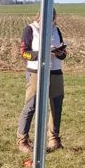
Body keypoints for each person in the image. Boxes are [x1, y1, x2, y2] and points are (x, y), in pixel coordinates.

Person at [17, 9, 68, 153]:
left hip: (56, 72)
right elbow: (24, 53)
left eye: (52, 16)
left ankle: (54, 139)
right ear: (40, 15)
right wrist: (43, 53)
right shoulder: (30, 29)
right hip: (36, 72)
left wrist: (60, 52)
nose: (50, 18)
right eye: (46, 15)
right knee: (31, 105)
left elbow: (63, 54)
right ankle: (22, 140)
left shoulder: (56, 30)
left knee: (56, 106)